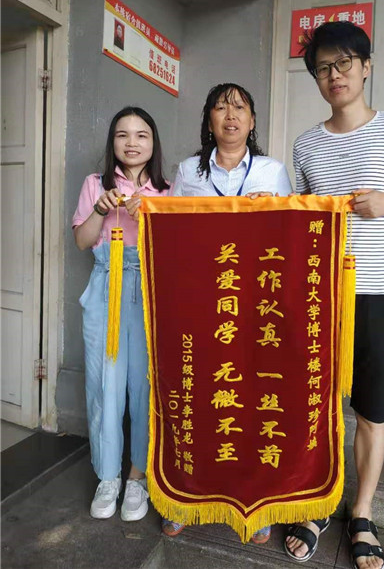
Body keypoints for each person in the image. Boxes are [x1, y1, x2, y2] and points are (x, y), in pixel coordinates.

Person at [284, 22, 384, 569]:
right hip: (320, 294)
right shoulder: (306, 144)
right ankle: (319, 502)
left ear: (365, 66)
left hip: (378, 291)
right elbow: (301, 219)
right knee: (320, 404)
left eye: (344, 63)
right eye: (323, 68)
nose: (335, 75)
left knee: (371, 410)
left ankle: (362, 512)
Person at [127, 82, 293, 543]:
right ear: (209, 120)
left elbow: (290, 234)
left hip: (254, 307)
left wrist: (273, 211)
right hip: (201, 302)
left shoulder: (273, 171)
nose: (230, 115)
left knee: (252, 401)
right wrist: (146, 210)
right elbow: (170, 231)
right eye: (221, 108)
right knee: (199, 396)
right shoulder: (187, 171)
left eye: (239, 108)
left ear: (252, 121)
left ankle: (255, 504)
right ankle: (185, 497)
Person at [73, 106, 170, 522]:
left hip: (150, 291)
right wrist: (100, 210)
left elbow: (177, 252)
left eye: (141, 134)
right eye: (122, 135)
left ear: (153, 142)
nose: (132, 143)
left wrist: (149, 218)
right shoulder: (95, 184)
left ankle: (137, 477)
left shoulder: (168, 190)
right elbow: (82, 242)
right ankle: (108, 476)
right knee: (104, 384)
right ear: (112, 142)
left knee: (146, 386)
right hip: (105, 287)